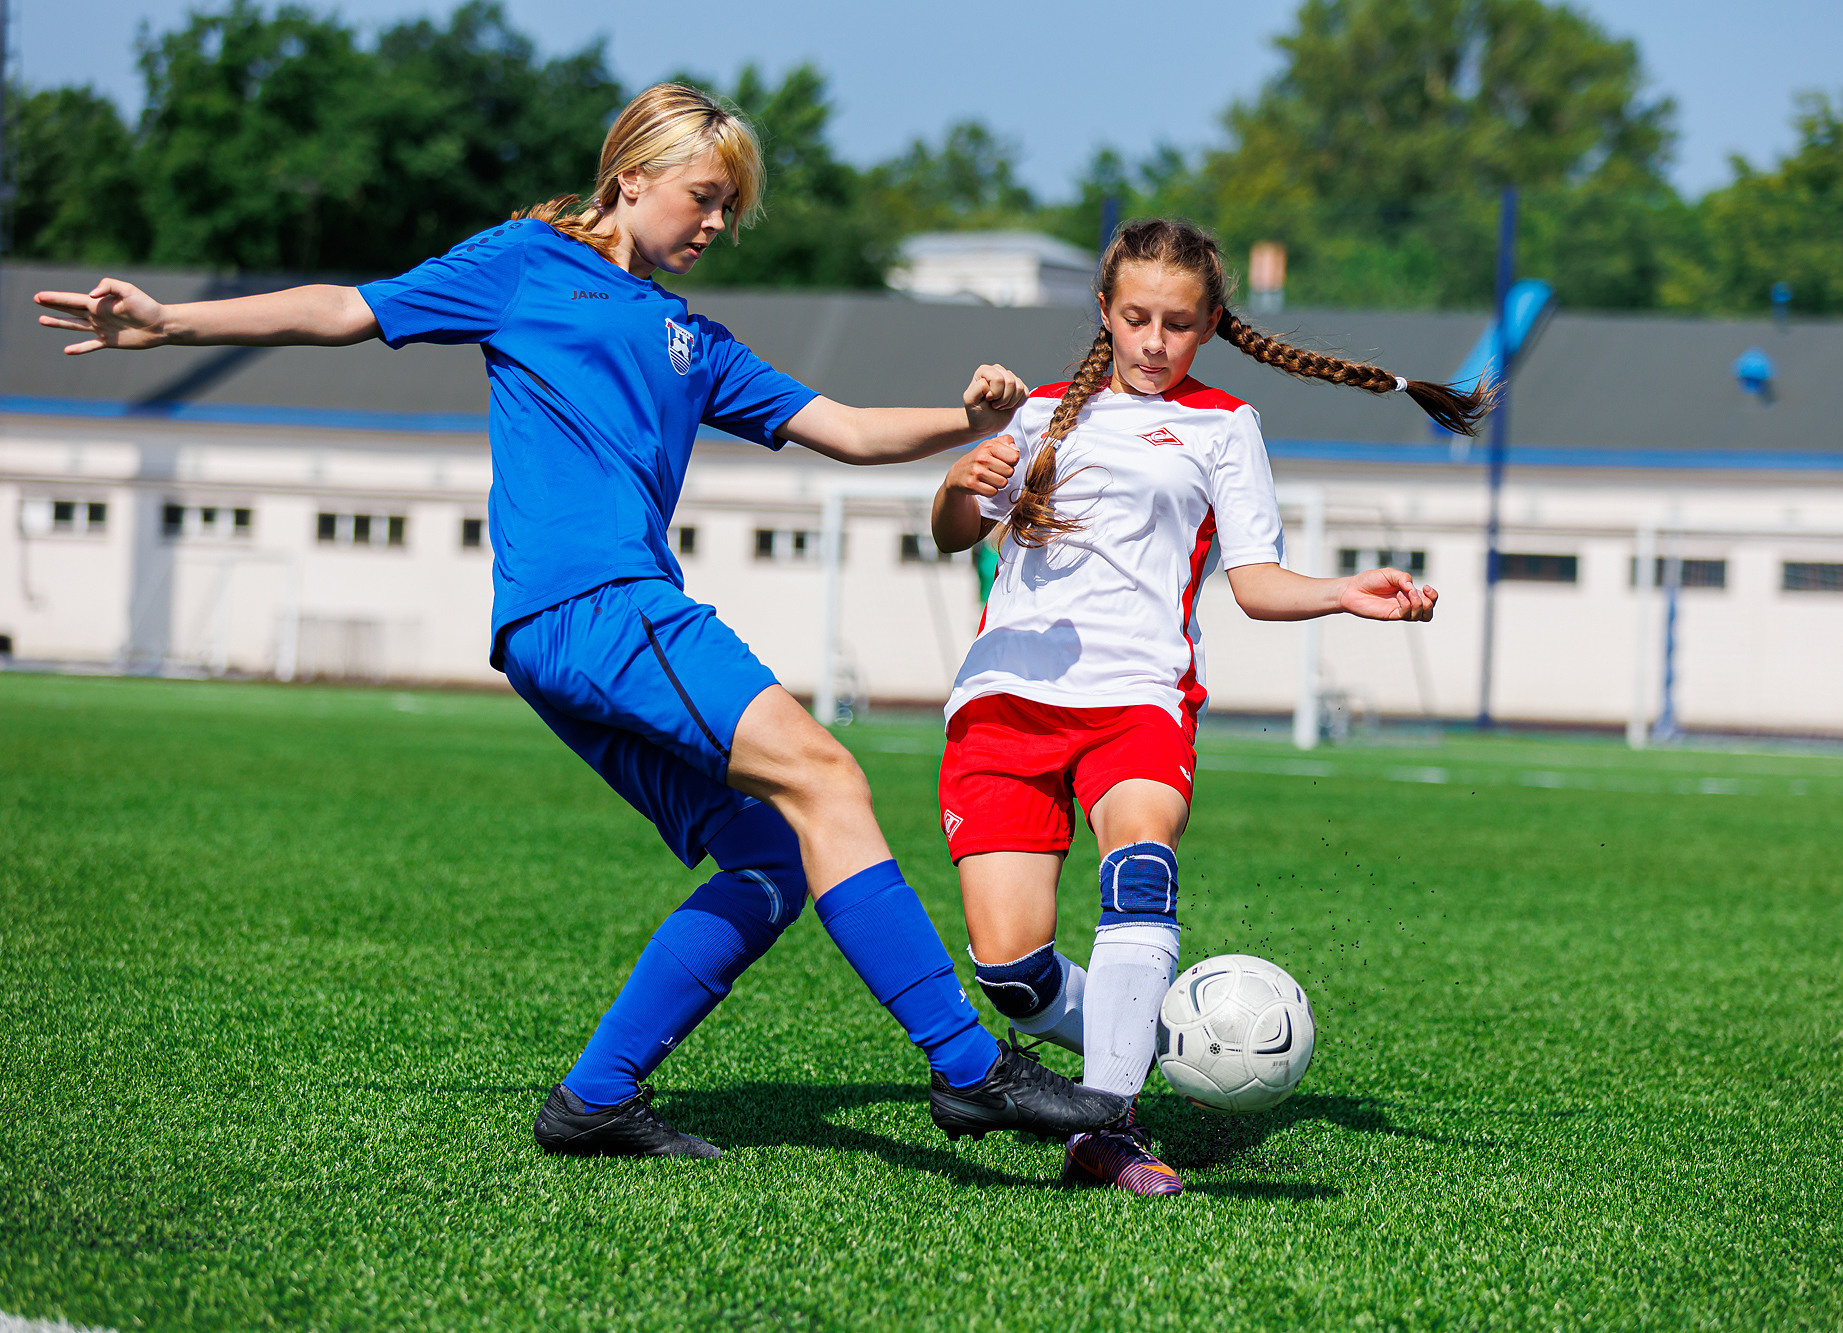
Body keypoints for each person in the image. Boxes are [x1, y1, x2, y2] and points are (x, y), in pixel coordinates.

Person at [36, 83, 1128, 1158]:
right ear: (630, 177)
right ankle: (968, 1069)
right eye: (702, 198)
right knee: (828, 778)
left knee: (766, 860)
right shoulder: (520, 265)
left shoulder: (689, 336)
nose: (712, 225)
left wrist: (968, 418)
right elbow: (347, 306)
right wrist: (172, 320)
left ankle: (595, 1098)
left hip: (562, 636)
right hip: (599, 606)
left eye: (727, 210)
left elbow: (837, 426)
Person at [928, 218, 1491, 1195]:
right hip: (1003, 700)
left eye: (1178, 323)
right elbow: (948, 534)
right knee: (1011, 977)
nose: (1154, 339)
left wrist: (1345, 590)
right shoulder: (1035, 418)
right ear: (1104, 312)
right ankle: (1143, 1028)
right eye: (1136, 317)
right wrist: (956, 479)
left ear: (1209, 326)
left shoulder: (1223, 424)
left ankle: (1105, 1124)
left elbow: (1257, 579)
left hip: (1139, 696)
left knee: (1139, 863)